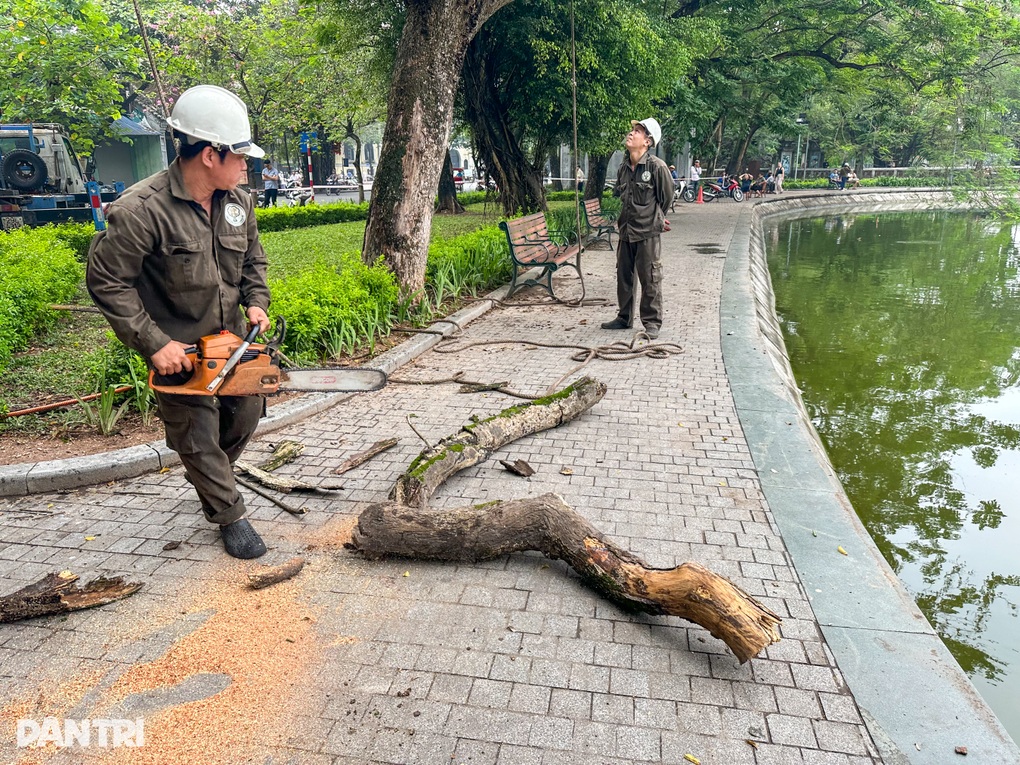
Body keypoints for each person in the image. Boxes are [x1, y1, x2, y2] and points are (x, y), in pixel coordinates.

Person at [86, 85, 272, 560]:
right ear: (210, 154)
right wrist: (153, 343)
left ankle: (211, 481)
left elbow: (253, 262)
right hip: (179, 355)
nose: (248, 165)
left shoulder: (238, 202)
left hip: (231, 345)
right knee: (196, 435)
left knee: (245, 415)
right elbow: (108, 282)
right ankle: (230, 515)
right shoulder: (140, 211)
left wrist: (256, 300)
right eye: (240, 155)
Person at [601, 117, 672, 340]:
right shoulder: (623, 168)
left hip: (647, 233)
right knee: (624, 277)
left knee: (650, 277)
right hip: (625, 231)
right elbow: (619, 198)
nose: (631, 134)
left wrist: (658, 218)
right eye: (632, 130)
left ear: (648, 141)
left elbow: (666, 198)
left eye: (638, 131)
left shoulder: (656, 167)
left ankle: (651, 323)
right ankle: (624, 317)